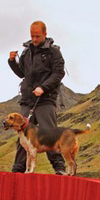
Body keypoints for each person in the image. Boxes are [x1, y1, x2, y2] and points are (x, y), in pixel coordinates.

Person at [8, 20, 67, 175]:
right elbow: (22, 73)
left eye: (37, 36)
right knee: (22, 134)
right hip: (28, 100)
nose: (34, 39)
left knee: (49, 132)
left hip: (46, 99)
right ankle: (18, 170)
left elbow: (59, 73)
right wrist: (12, 62)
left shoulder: (53, 52)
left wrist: (43, 87)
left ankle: (59, 168)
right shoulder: (26, 52)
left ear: (45, 34)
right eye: (32, 36)